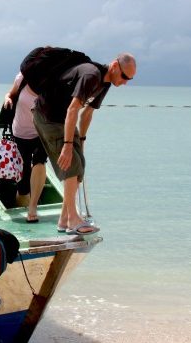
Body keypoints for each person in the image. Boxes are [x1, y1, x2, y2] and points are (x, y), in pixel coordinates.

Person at [32, 51, 137, 234]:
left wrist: (81, 140)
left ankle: (64, 219)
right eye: (124, 76)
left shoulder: (105, 83)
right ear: (114, 66)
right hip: (48, 116)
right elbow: (73, 109)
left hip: (63, 119)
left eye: (130, 79)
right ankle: (73, 219)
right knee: (70, 162)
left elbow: (87, 112)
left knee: (80, 164)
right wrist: (67, 145)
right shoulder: (91, 75)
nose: (126, 81)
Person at [1, 74, 46, 222]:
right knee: (23, 182)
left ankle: (32, 208)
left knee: (39, 161)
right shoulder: (23, 78)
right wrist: (7, 99)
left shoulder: (54, 81)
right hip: (20, 133)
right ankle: (22, 204)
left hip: (42, 132)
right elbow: (11, 94)